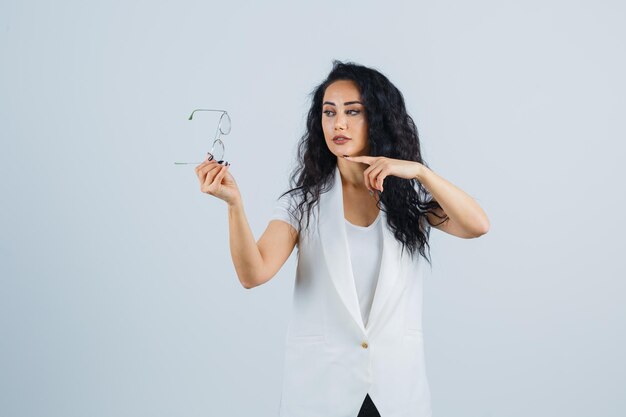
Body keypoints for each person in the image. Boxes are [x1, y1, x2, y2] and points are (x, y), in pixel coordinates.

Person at [194, 60, 490, 417]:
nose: (339, 123)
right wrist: (234, 205)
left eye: (353, 112)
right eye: (329, 112)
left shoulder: (409, 203)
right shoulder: (303, 204)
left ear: (378, 119)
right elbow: (253, 273)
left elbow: (477, 225)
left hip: (396, 391)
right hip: (323, 391)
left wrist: (419, 172)